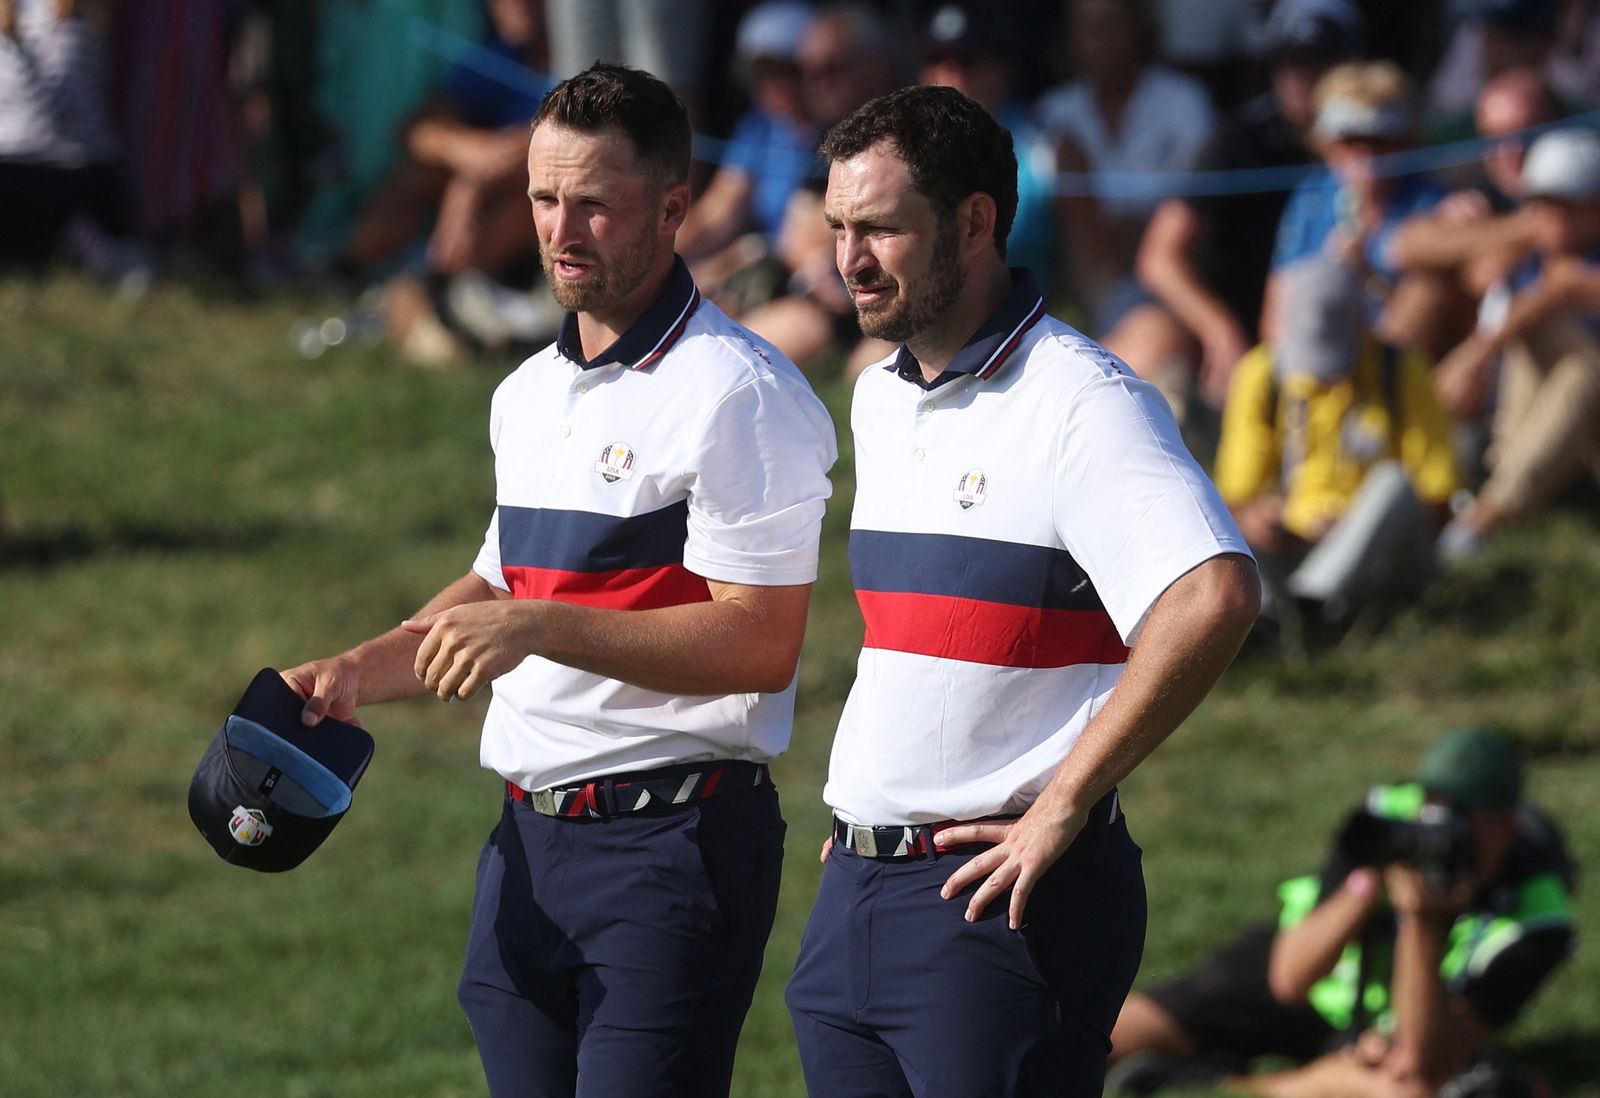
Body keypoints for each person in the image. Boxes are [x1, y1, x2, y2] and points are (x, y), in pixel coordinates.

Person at [281, 63, 836, 1098]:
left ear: (673, 207)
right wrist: (358, 670)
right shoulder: (527, 394)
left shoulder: (741, 394)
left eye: (593, 202)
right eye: (542, 198)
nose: (560, 229)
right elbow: (497, 591)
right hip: (526, 848)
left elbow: (759, 642)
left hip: (673, 847)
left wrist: (541, 626)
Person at [783, 85, 1260, 1098]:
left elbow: (1212, 594)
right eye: (836, 228)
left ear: (974, 221)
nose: (848, 259)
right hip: (857, 894)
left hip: (1000, 907)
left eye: (880, 229)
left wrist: (1061, 807)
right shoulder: (878, 394)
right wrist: (878, 805)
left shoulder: (1084, 402)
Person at [1107, 727, 1577, 1098]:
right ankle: (1307, 1076)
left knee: (1411, 1090)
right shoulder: (1387, 818)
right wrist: (1371, 880)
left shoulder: (1538, 922)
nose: (1440, 830)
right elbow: (1291, 979)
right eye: (1436, 807)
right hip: (1307, 978)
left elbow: (1420, 1059)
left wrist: (1423, 921)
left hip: (1393, 1034)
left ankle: (1223, 1084)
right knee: (1098, 1033)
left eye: (1462, 821)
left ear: (1506, 824)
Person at [1102, 0, 1365, 418]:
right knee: (1146, 345)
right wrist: (1219, 330)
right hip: (1219, 316)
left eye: (1318, 62)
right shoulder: (1238, 140)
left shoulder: (1382, 143)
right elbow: (1159, 258)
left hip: (1323, 320)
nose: (1300, 79)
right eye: (1287, 62)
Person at [1213, 258, 1458, 624]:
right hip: (1292, 544)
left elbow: (1437, 500)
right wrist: (1261, 517)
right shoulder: (1259, 374)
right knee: (1214, 523)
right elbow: (1235, 496)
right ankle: (1266, 617)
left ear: (1361, 324)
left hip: (1382, 558)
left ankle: (1306, 607)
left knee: (1396, 483)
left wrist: (1353, 525)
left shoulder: (1403, 368)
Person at [1434, 126, 1600, 561]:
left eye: (1568, 205)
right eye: (1543, 203)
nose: (1552, 217)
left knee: (1587, 369)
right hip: (1539, 435)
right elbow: (1421, 251)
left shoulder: (1576, 270)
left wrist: (1473, 357)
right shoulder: (1529, 255)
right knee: (1535, 332)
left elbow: (1561, 293)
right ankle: (1495, 493)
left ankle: (1489, 513)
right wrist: (1512, 237)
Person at [1034, 0, 1217, 338]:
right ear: (1072, 39)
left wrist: (1136, 233)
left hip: (1171, 267)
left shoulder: (1184, 100)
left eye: (1113, 26)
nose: (1102, 40)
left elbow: (1198, 204)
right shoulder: (1054, 112)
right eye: (1090, 29)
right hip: (1082, 269)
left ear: (1139, 30)